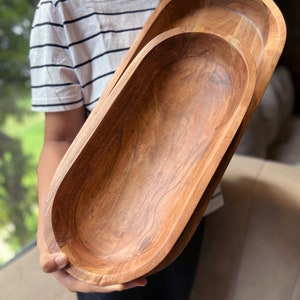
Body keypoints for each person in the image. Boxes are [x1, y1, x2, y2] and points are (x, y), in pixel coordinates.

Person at [30, 0, 223, 299]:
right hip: (103, 229)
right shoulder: (59, 11)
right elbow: (59, 139)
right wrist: (51, 234)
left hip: (190, 210)